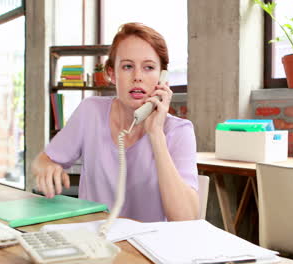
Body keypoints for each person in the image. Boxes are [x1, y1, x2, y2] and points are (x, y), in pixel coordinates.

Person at [32, 22, 199, 222]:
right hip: (95, 242)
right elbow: (42, 161)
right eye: (128, 66)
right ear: (112, 73)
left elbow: (186, 219)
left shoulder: (179, 131)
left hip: (148, 247)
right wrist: (47, 168)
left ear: (162, 77)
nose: (137, 77)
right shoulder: (90, 111)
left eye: (149, 67)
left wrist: (156, 134)